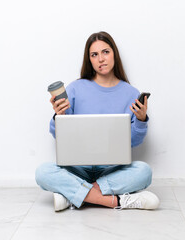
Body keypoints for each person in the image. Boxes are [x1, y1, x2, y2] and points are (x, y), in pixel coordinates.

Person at [35, 31, 159, 211]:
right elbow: (58, 135)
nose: (101, 59)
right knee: (43, 172)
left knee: (144, 171)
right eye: (94, 55)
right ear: (89, 60)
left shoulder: (130, 93)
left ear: (114, 54)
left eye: (105, 52)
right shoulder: (76, 88)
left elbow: (134, 142)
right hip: (77, 169)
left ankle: (73, 197)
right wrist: (58, 117)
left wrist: (140, 121)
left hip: (112, 170)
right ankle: (115, 201)